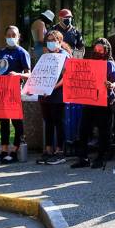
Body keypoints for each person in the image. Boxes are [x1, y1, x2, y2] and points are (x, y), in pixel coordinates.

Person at [72, 38, 115, 169]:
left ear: (106, 51)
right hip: (89, 100)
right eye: (96, 49)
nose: (98, 52)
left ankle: (101, 157)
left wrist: (112, 85)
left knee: (103, 131)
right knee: (83, 130)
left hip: (104, 102)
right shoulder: (89, 63)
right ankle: (83, 157)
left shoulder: (109, 64)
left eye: (101, 50)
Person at [0, 26, 32, 163]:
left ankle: (14, 152)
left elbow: (29, 74)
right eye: (8, 35)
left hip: (14, 92)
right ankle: (3, 151)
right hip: (0, 92)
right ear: (4, 37)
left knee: (16, 122)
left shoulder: (22, 52)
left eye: (14, 35)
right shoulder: (1, 52)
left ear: (19, 36)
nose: (11, 37)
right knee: (3, 122)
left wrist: (18, 75)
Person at [36, 30, 70, 165]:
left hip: (58, 94)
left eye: (53, 40)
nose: (50, 42)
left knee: (58, 122)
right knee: (48, 121)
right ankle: (48, 150)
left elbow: (66, 77)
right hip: (45, 94)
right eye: (48, 40)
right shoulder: (46, 56)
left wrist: (53, 87)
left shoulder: (65, 55)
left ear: (60, 41)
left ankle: (60, 151)